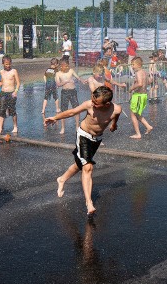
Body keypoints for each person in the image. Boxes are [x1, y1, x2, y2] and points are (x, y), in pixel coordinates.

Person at [44, 85, 121, 215]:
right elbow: (72, 112)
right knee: (88, 167)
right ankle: (89, 203)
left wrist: (113, 125)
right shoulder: (89, 105)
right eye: (93, 100)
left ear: (107, 103)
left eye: (97, 103)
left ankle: (61, 179)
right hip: (84, 136)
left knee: (80, 164)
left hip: (97, 140)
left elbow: (115, 118)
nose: (93, 104)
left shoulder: (116, 109)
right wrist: (55, 118)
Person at [0, 55, 20, 135]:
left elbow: (18, 83)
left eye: (9, 64)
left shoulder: (14, 71)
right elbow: (2, 82)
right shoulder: (1, 72)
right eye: (6, 64)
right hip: (3, 93)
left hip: (11, 93)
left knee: (12, 111)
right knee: (1, 111)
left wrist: (16, 91)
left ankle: (15, 126)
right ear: (3, 64)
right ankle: (0, 129)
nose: (8, 66)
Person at [55, 57, 82, 134]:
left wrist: (82, 80)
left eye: (68, 65)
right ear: (61, 66)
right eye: (65, 66)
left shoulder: (71, 71)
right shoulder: (58, 74)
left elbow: (77, 77)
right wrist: (66, 81)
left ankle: (77, 126)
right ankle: (63, 128)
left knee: (76, 109)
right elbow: (58, 84)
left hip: (73, 91)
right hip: (65, 92)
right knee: (64, 111)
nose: (67, 67)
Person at [128, 57, 153, 139]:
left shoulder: (138, 72)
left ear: (138, 64)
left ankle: (138, 134)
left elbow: (140, 84)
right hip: (143, 95)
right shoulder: (144, 72)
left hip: (139, 96)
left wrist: (131, 88)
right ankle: (148, 126)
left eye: (133, 64)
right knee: (137, 114)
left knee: (133, 115)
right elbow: (149, 81)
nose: (132, 66)